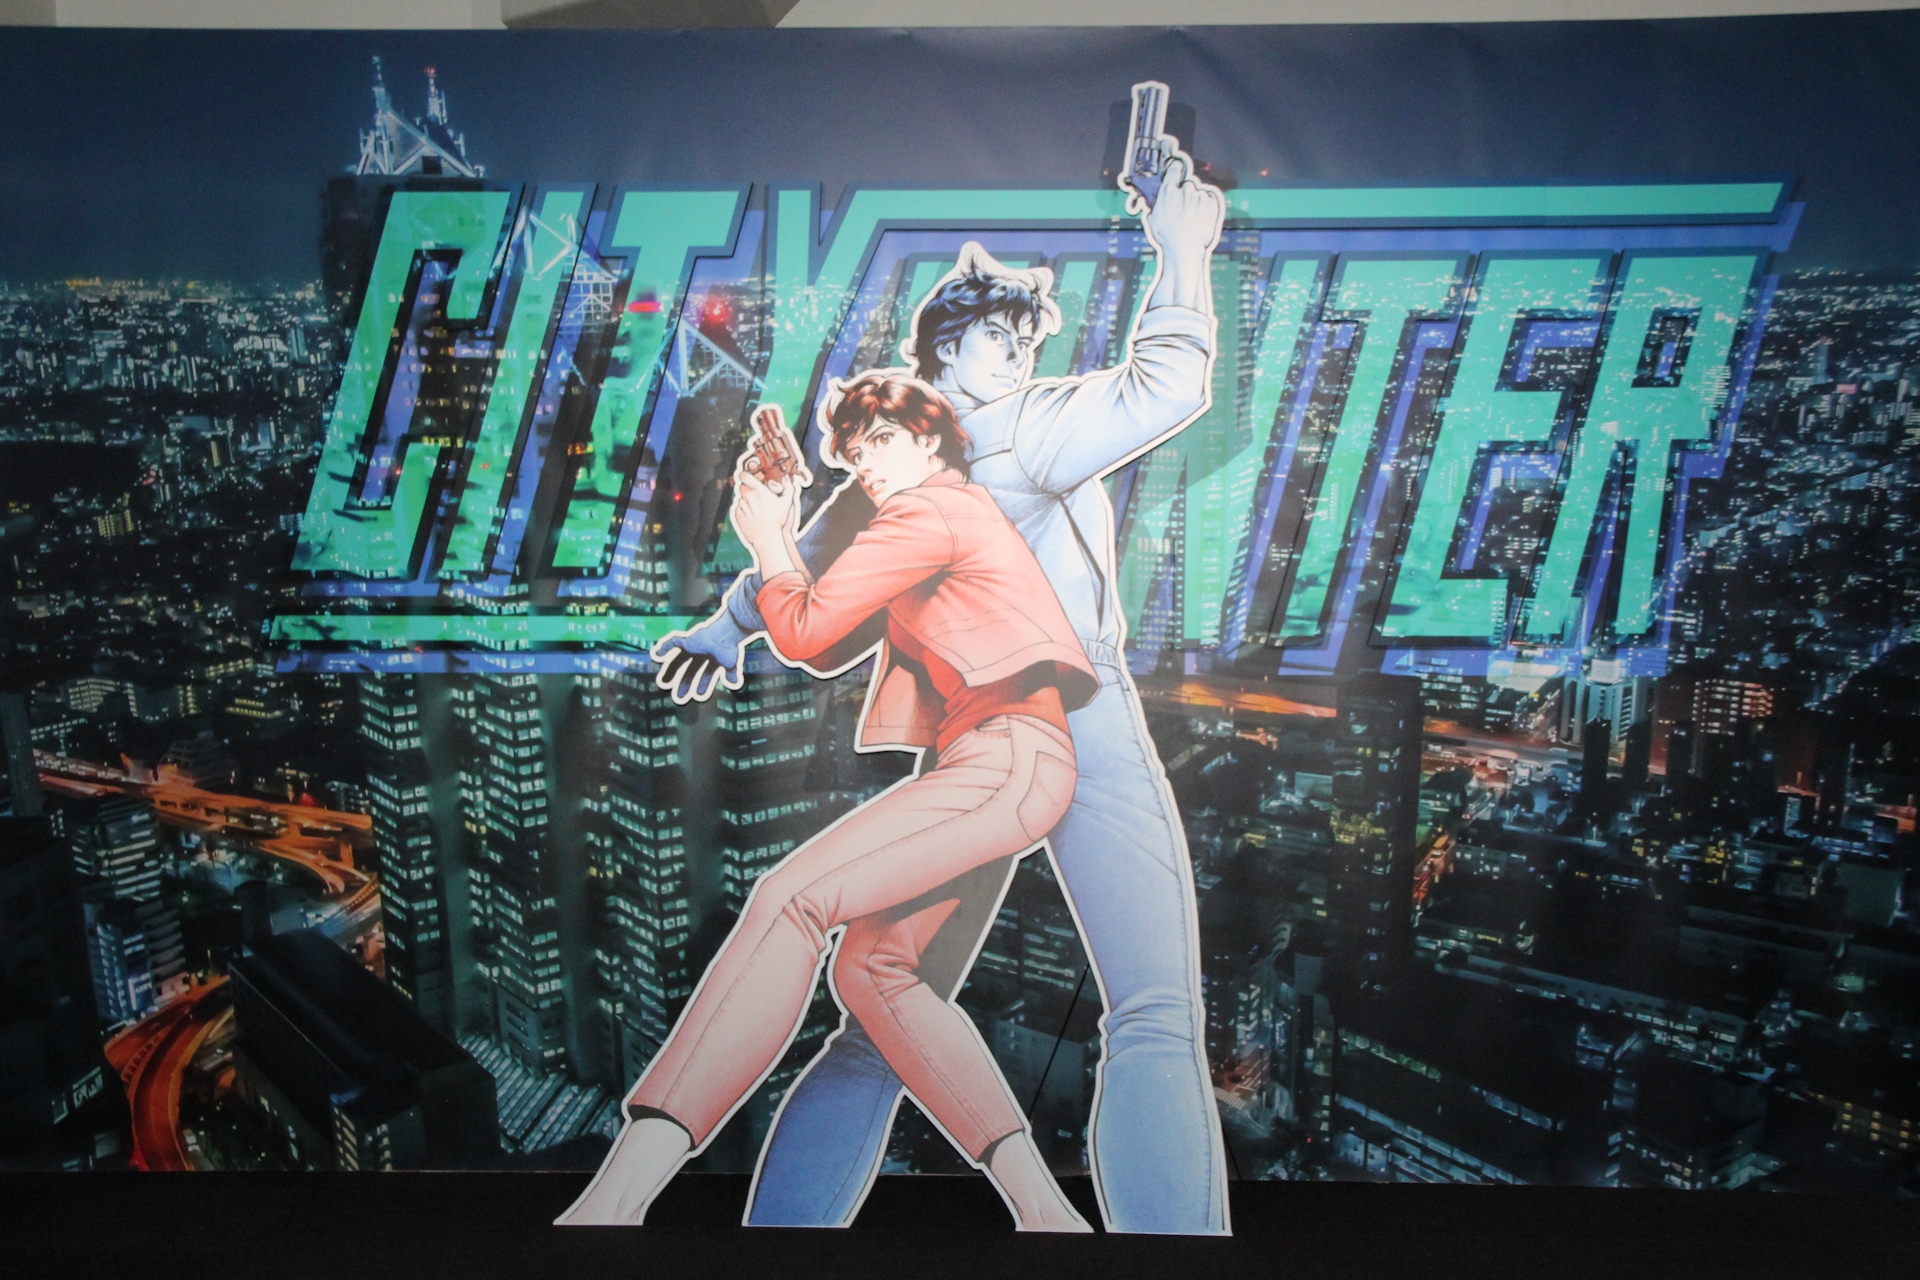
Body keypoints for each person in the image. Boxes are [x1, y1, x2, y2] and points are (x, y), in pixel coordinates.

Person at [651, 154, 1231, 1235]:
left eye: (1028, 339)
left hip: (972, 739)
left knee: (879, 1018)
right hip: (1071, 717)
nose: (1023, 352)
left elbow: (810, 573)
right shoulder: (1022, 428)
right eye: (1002, 336)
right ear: (946, 346)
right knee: (1153, 1014)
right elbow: (1169, 385)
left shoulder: (905, 463)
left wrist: (727, 627)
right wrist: (1186, 250)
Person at [556, 372, 1099, 1232]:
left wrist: (770, 534)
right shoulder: (937, 516)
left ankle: (616, 1202)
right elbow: (821, 634)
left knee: (789, 900)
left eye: (882, 441)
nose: (865, 464)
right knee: (873, 972)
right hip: (999, 763)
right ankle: (1045, 1212)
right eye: (852, 452)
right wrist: (758, 576)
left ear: (931, 440)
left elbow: (805, 626)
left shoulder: (931, 510)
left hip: (1003, 756)